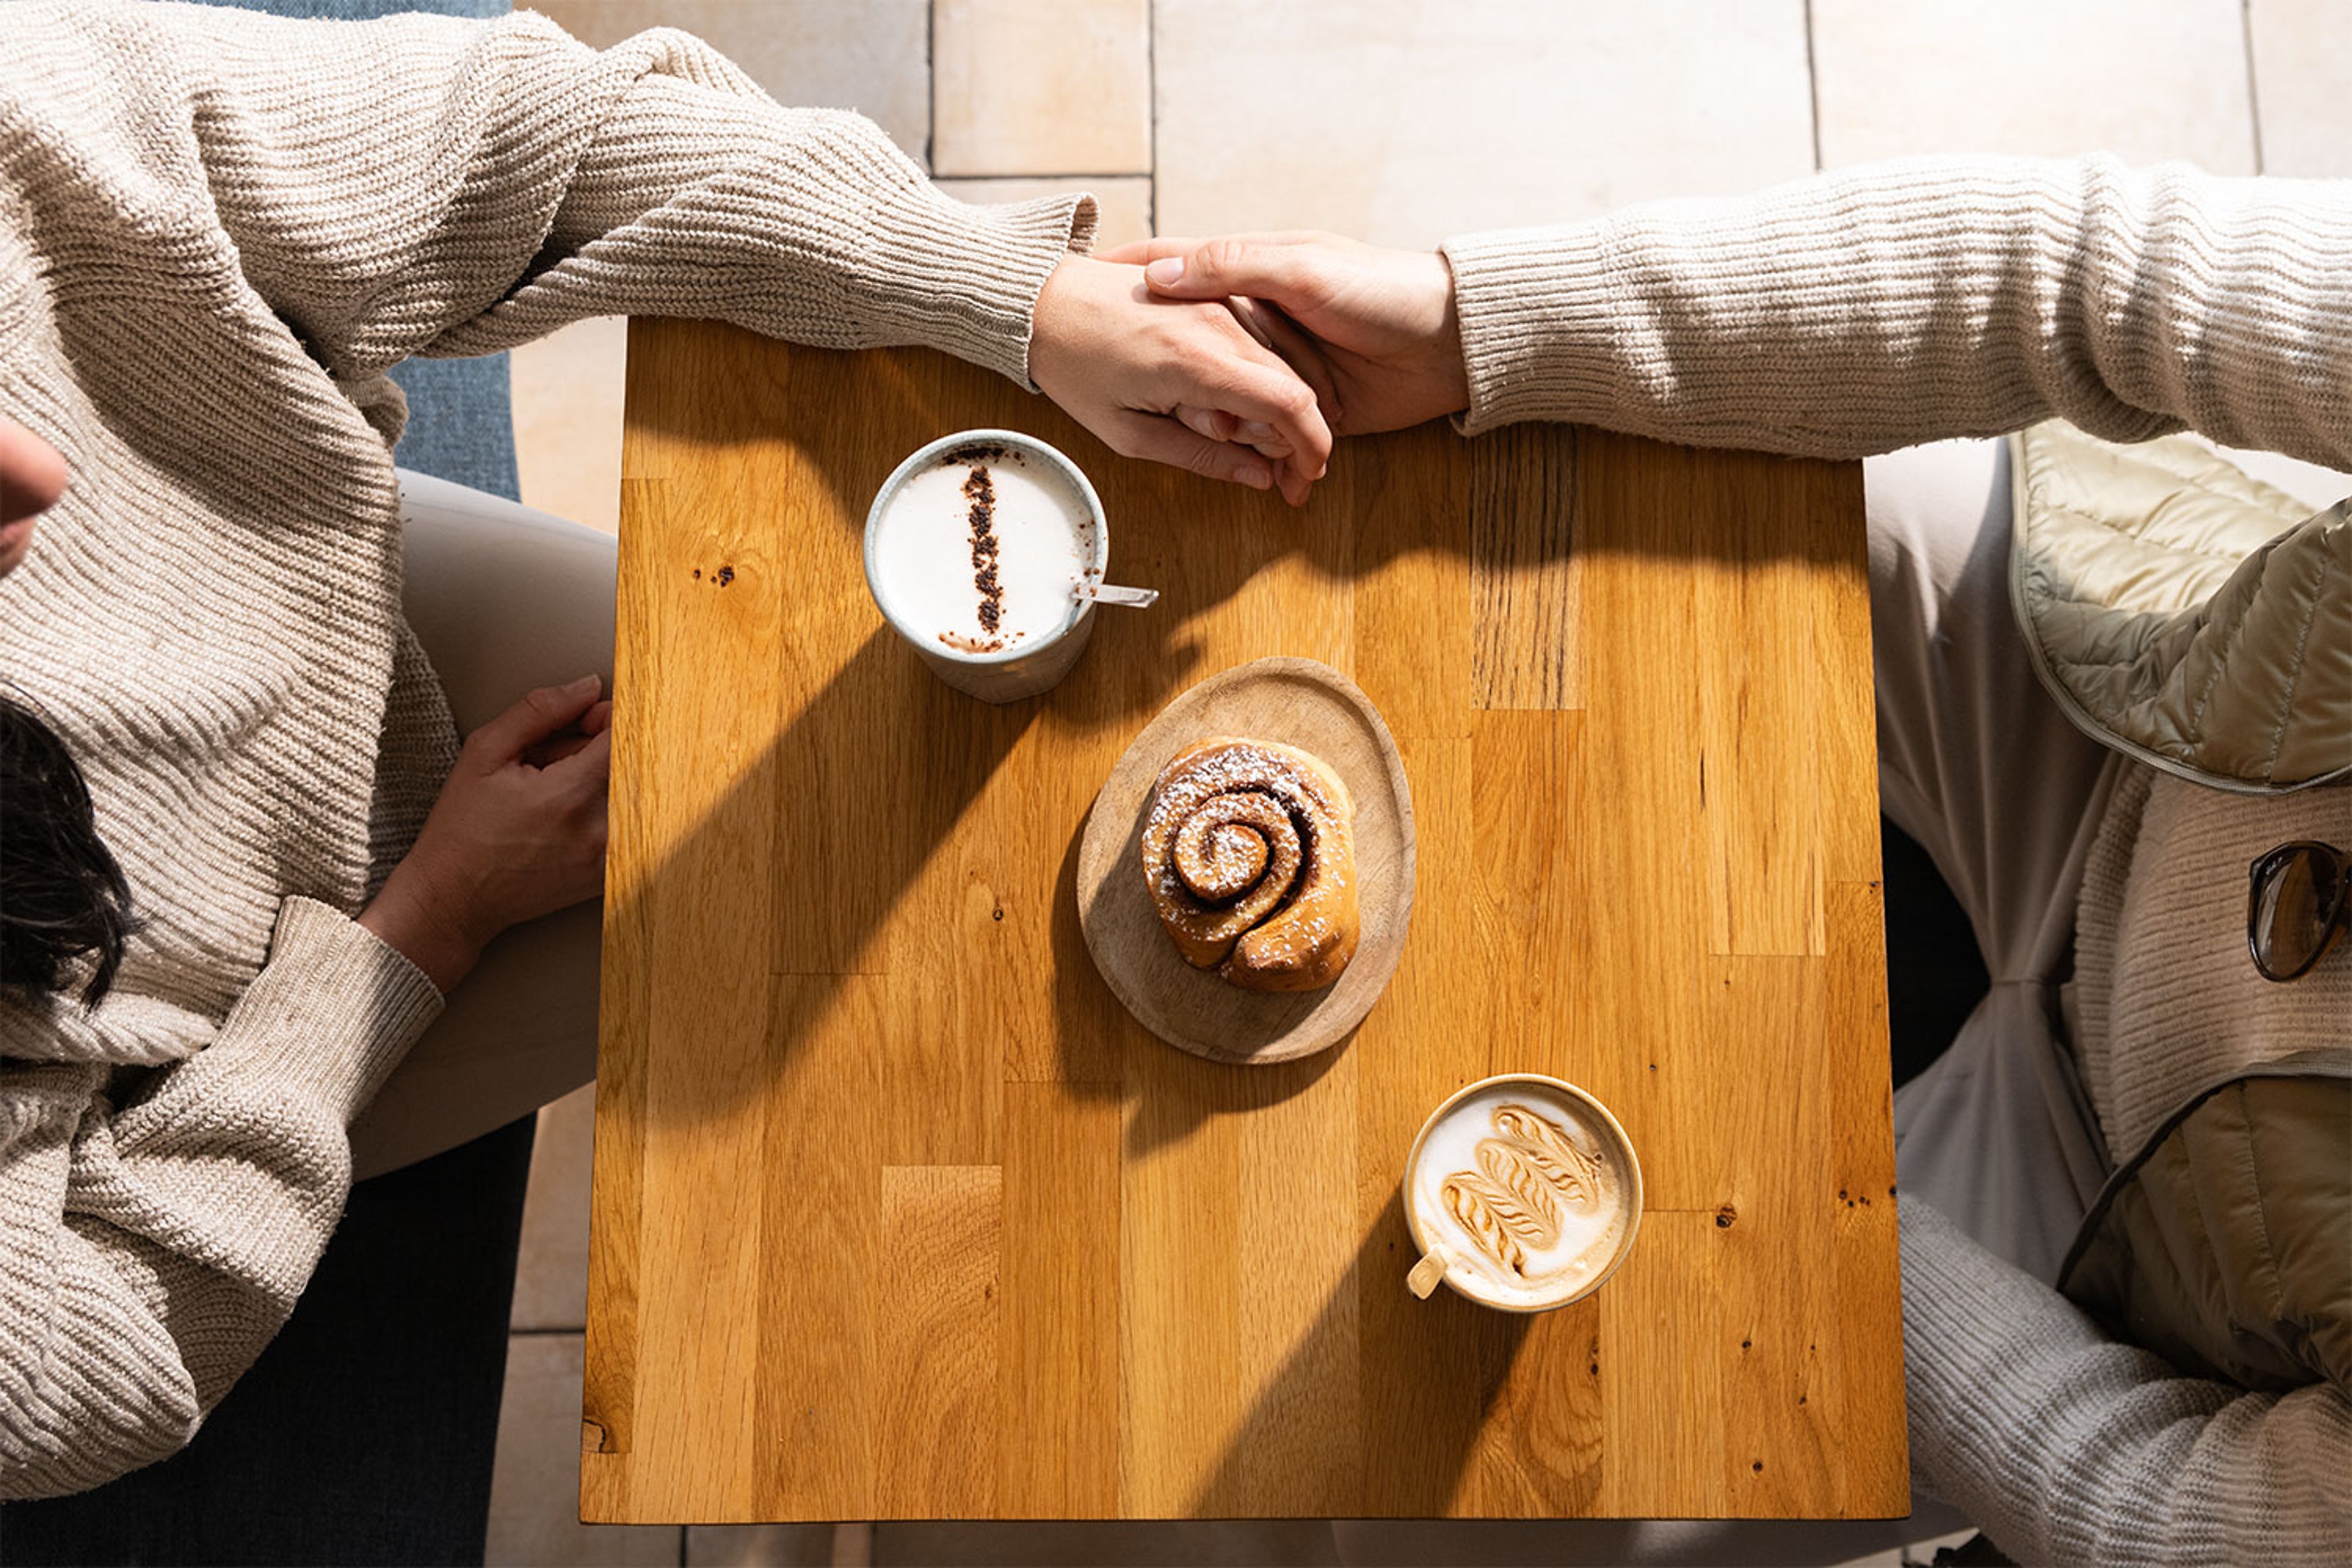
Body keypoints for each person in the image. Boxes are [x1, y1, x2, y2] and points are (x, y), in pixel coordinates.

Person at [0, 0, 1340, 1504]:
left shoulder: (22, 139)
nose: (44, 466)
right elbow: (90, 1357)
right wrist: (429, 921)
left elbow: (540, 136)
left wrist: (1014, 295)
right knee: (787, 950)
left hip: (326, 607)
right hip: (250, 1006)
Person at [1106, 157, 2351, 1564]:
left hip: (2096, 1236)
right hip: (2122, 692)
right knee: (1521, 479)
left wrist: (1789, 1213)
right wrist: (1478, 326)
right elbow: (2067, 279)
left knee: (1465, 1500)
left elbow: (2143, 1499)